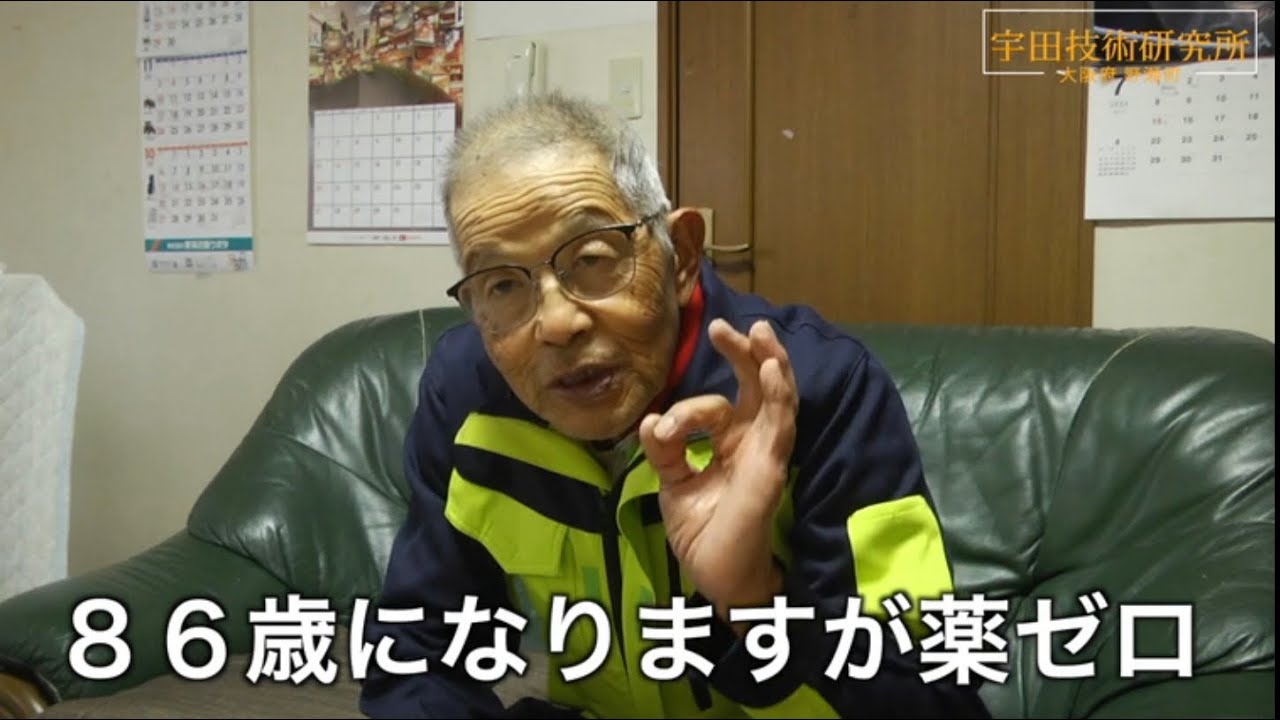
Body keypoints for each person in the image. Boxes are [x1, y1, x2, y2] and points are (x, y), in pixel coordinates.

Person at [358, 91, 992, 719]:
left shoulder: (819, 390)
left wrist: (752, 602)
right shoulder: (469, 398)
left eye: (592, 259)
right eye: (501, 284)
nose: (555, 323)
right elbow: (417, 654)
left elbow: (933, 699)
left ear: (682, 255)